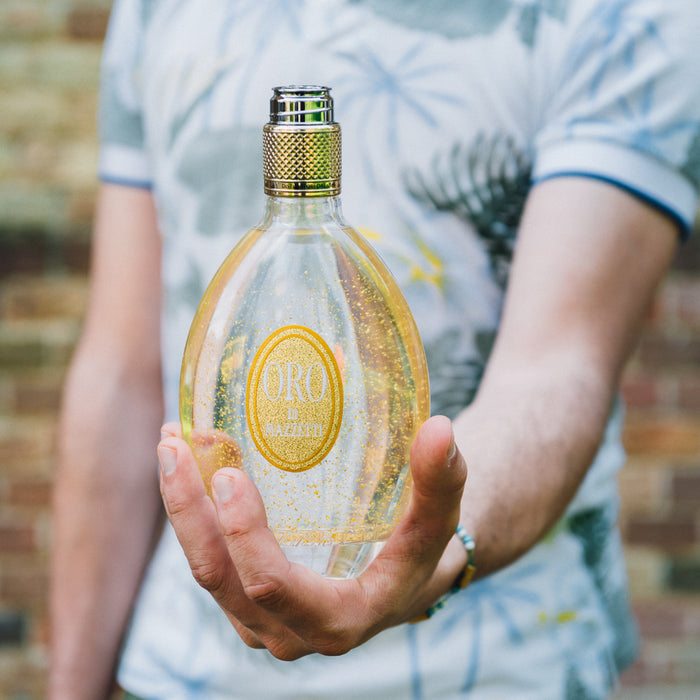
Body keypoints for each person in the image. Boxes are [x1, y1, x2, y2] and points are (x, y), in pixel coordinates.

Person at [49, 1, 700, 698]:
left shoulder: (626, 13)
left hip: (496, 674)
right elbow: (122, 373)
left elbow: (558, 371)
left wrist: (432, 549)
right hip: (186, 671)